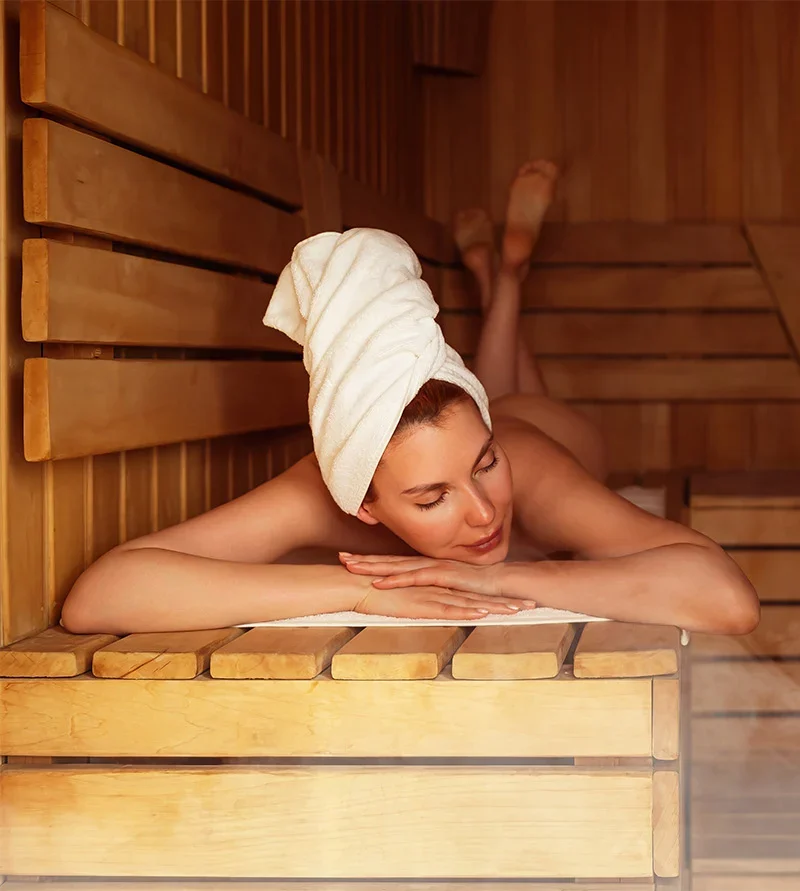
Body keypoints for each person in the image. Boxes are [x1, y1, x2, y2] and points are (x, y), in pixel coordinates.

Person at [60, 162, 760, 637]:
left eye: (485, 466)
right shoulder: (323, 489)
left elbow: (725, 597)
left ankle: (505, 279)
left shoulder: (533, 469)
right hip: (491, 414)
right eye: (431, 499)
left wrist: (498, 578)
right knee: (499, 398)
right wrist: (360, 592)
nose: (484, 512)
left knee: (515, 404)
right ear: (363, 503)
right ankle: (501, 276)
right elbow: (102, 594)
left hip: (547, 430)